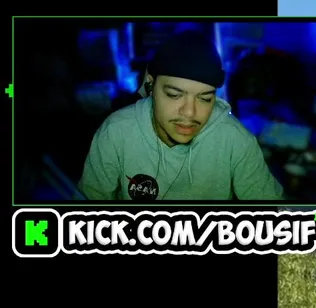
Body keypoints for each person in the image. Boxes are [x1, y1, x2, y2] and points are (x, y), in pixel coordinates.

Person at [77, 30, 284, 202]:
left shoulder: (235, 140)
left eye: (204, 98)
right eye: (174, 95)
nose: (190, 112)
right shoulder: (116, 132)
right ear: (151, 85)